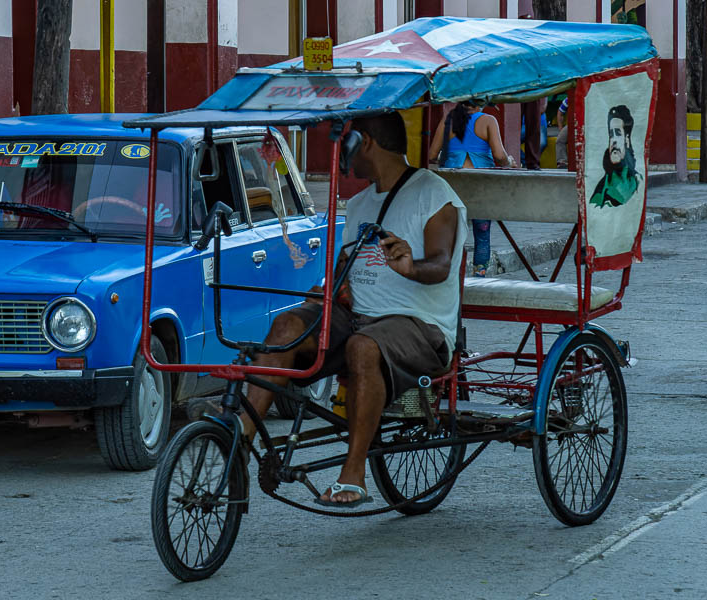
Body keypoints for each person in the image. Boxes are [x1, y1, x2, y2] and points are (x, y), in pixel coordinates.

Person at [208, 113, 467, 507]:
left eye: (347, 141)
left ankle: (354, 472)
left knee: (363, 347)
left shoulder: (434, 194)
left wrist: (412, 267)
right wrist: (328, 292)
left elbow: (442, 264)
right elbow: (346, 272)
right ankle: (240, 442)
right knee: (287, 324)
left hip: (420, 326)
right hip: (359, 316)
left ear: (365, 143)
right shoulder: (361, 204)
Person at [428, 100, 510, 276]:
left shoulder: (447, 120)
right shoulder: (488, 121)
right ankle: (479, 275)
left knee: (452, 232)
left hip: (452, 184)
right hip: (480, 184)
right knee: (482, 232)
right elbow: (499, 155)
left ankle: (450, 275)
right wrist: (510, 162)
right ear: (481, 101)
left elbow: (432, 155)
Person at [589, 105, 642, 208]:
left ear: (626, 140)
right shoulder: (601, 188)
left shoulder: (637, 181)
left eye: (617, 134)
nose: (613, 140)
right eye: (611, 135)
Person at [555, 97, 571, 169]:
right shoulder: (568, 99)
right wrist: (561, 129)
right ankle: (562, 162)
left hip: (589, 123)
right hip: (573, 123)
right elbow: (560, 113)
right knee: (560, 140)